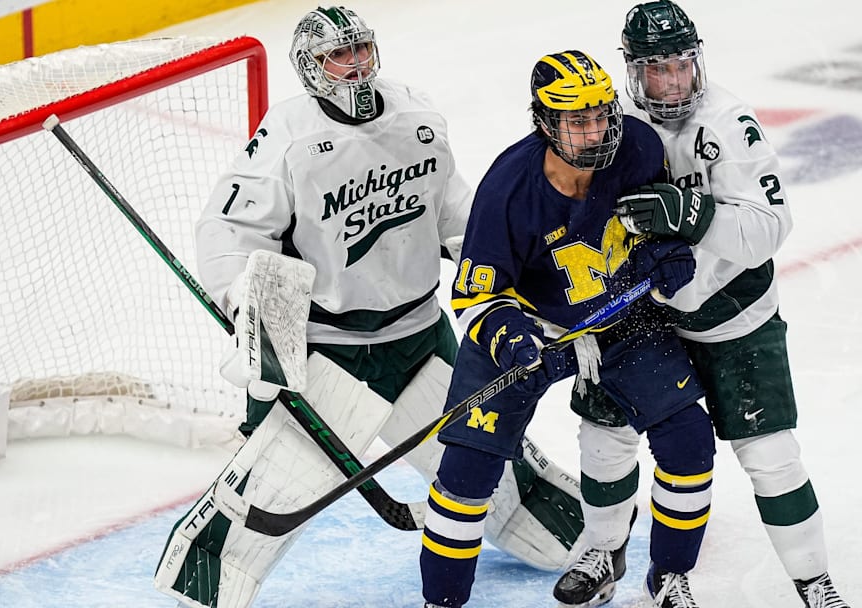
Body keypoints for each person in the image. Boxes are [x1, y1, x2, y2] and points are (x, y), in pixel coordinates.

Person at [152, 7, 588, 608]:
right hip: (332, 356)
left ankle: (587, 541)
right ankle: (195, 593)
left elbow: (461, 216)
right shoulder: (289, 138)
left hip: (421, 339)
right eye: (340, 56)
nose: (356, 66)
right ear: (311, 68)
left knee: (497, 467)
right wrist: (241, 300)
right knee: (264, 506)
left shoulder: (417, 118)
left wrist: (514, 275)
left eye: (362, 51)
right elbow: (229, 228)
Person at [555, 2, 851, 607]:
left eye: (679, 67)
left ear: (697, 63)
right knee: (606, 435)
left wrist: (694, 214)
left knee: (771, 457)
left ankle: (814, 583)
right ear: (633, 71)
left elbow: (771, 228)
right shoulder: (610, 122)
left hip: (734, 316)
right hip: (646, 318)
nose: (670, 84)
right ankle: (603, 549)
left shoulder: (729, 121)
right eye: (654, 70)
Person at [419, 50, 717, 608]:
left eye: (601, 114)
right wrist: (513, 340)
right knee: (464, 474)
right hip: (530, 327)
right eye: (577, 120)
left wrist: (668, 252)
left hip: (620, 315)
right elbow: (477, 293)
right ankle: (442, 601)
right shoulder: (508, 189)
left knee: (689, 441)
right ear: (545, 122)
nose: (596, 130)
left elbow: (656, 225)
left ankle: (669, 578)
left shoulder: (638, 149)